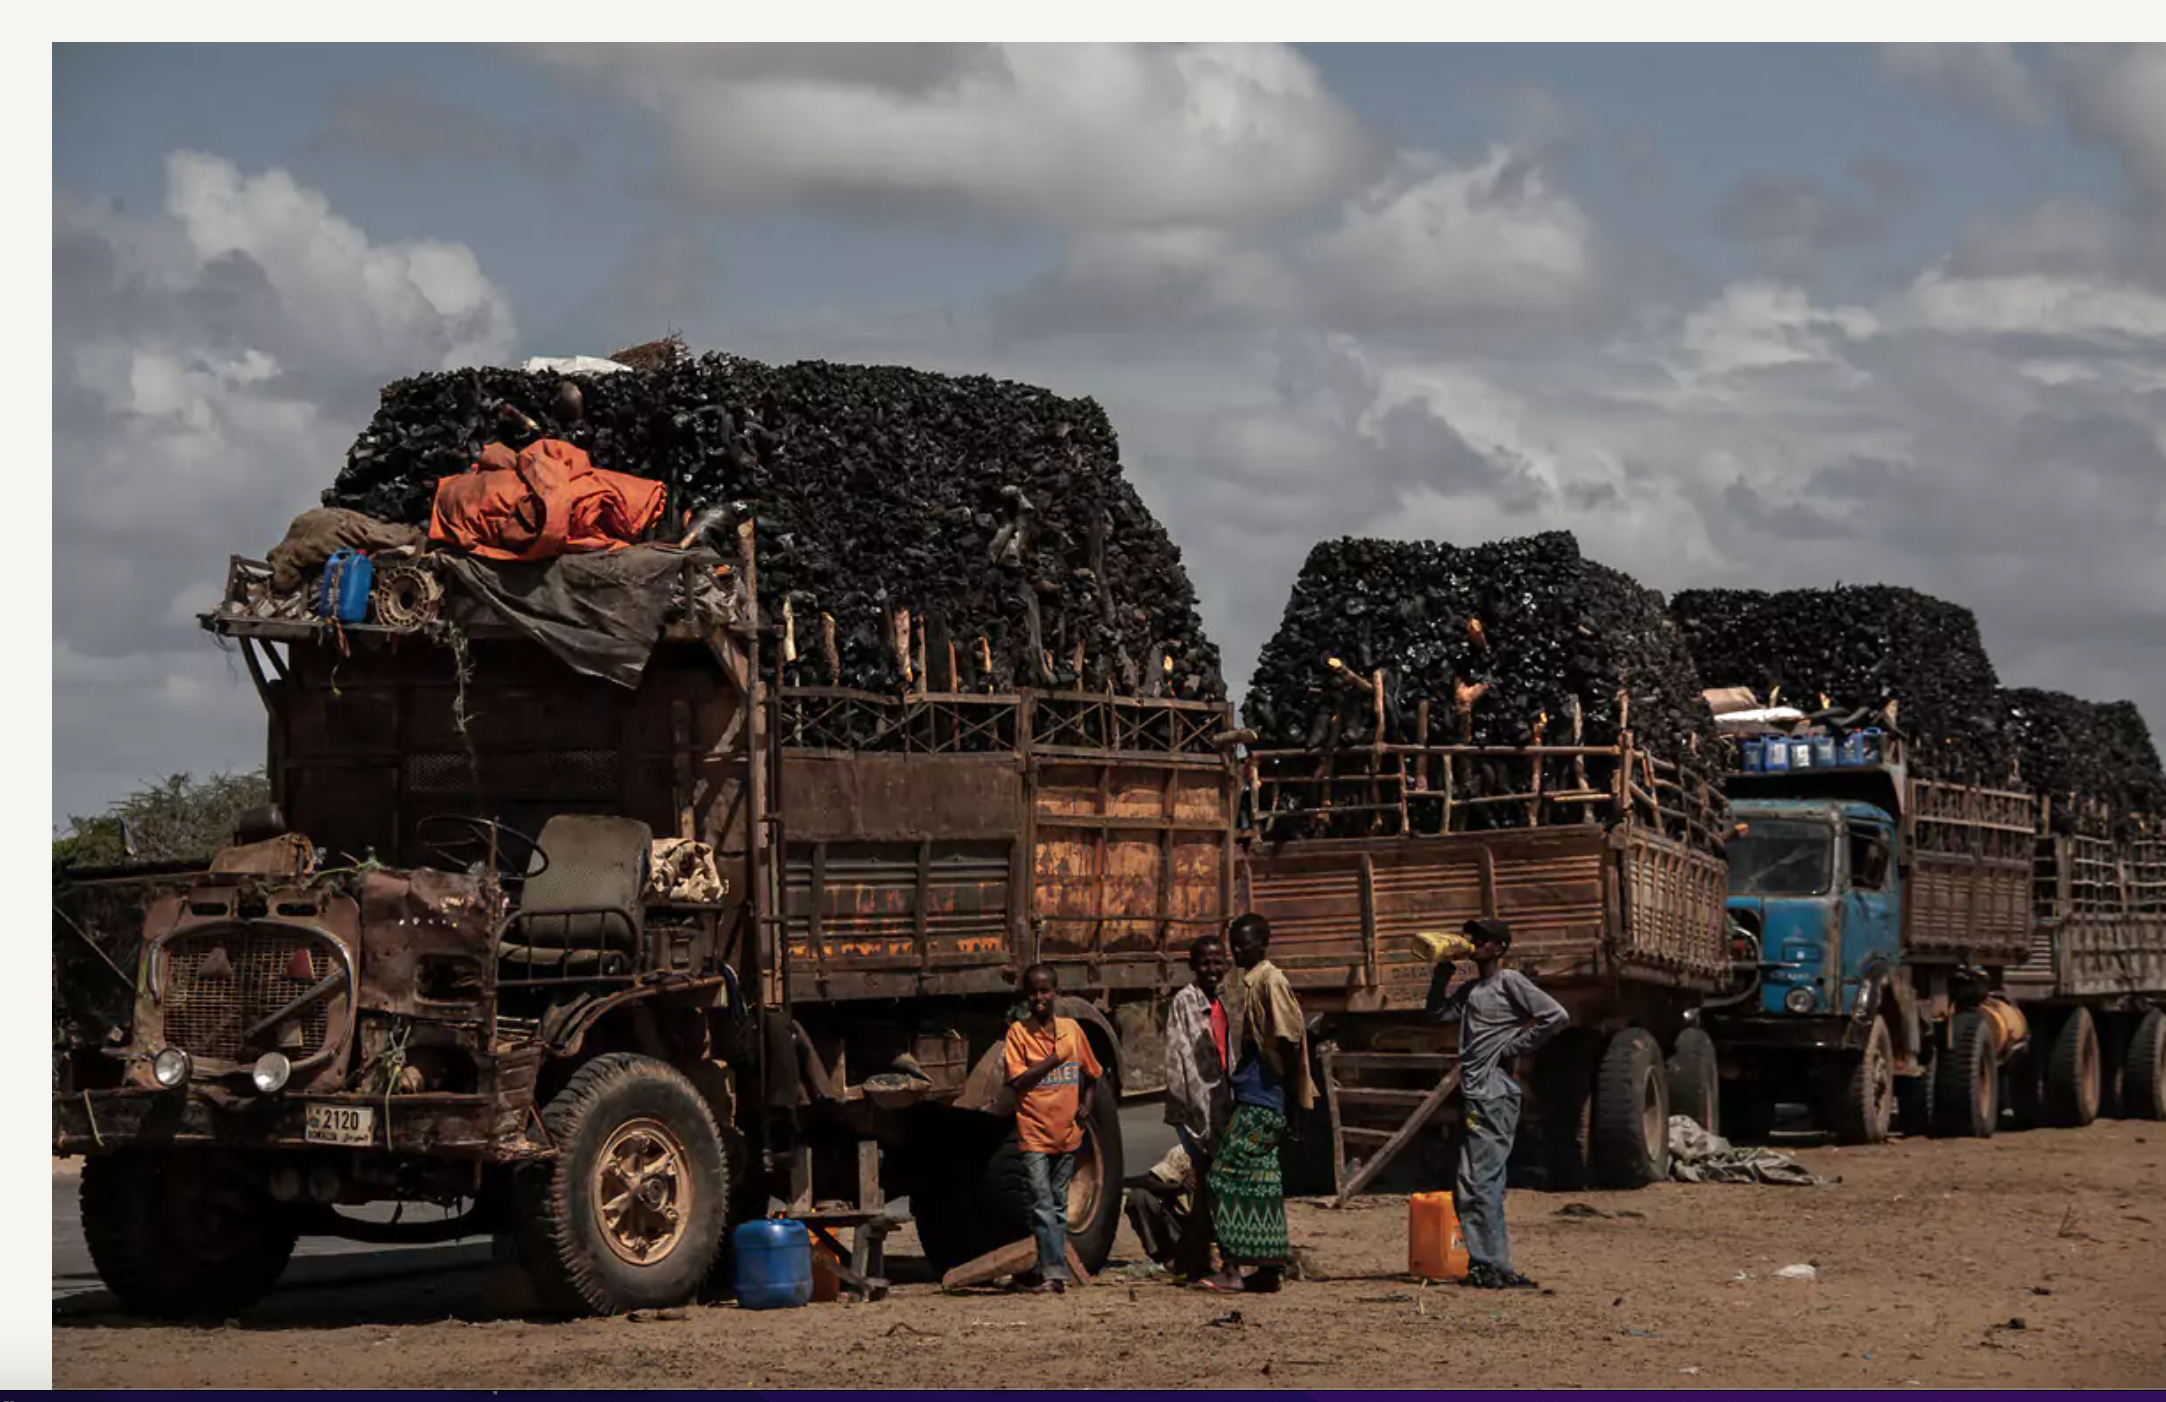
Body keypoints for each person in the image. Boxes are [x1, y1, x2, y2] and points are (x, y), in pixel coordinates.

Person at [1426, 916, 1570, 1290]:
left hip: (1492, 1094)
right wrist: (1442, 974)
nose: (1474, 943)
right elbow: (1438, 1014)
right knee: (1478, 1182)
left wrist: (1514, 1046)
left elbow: (1556, 1016)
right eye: (1472, 937)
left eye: (1483, 939)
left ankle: (1489, 1265)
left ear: (1499, 948)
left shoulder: (1510, 982)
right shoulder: (1473, 989)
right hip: (1478, 1093)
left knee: (1477, 1183)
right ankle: (1491, 1263)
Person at [1202, 913, 1315, 1294]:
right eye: (1234, 943)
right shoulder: (1248, 981)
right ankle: (1268, 1269)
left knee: (1223, 1174)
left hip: (1263, 1095)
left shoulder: (1270, 980)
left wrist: (1291, 1098)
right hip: (1262, 1092)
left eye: (1245, 943)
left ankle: (1233, 1267)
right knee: (1264, 1179)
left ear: (1264, 942)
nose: (1238, 950)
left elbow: (1289, 1037)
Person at [1003, 962, 1104, 1294]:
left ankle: (1051, 1270)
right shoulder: (1019, 1033)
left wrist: (1087, 1104)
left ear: (1056, 993)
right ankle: (1053, 1271)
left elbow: (1092, 1074)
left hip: (1068, 1134)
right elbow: (1017, 1081)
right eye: (1033, 992)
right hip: (1034, 1132)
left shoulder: (1072, 1031)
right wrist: (1053, 1060)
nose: (1039, 997)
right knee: (1041, 1201)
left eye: (1045, 990)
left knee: (1057, 1203)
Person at [1162, 934, 1243, 1280]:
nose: (1212, 969)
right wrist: (1191, 1112)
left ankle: (1198, 1261)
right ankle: (1220, 1260)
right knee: (1214, 1185)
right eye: (1205, 962)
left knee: (1214, 1186)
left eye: (1218, 961)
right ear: (1193, 966)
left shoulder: (1224, 1001)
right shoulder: (1184, 1001)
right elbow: (1177, 1059)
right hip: (1200, 1109)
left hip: (1224, 1105)